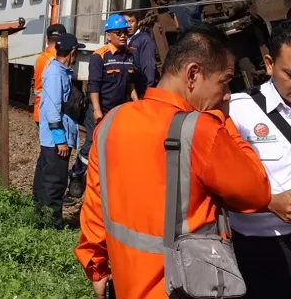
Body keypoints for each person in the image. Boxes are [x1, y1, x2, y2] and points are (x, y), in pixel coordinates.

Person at [75, 24, 273, 299]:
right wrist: (223, 120)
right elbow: (257, 192)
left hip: (126, 285)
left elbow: (95, 205)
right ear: (192, 74)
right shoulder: (203, 131)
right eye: (225, 82)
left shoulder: (112, 121)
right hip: (185, 289)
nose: (227, 94)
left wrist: (96, 268)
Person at [228, 20, 291, 297]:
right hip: (261, 248)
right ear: (269, 64)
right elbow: (213, 182)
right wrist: (267, 203)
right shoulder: (238, 112)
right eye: (290, 74)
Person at [69, 13, 137, 198]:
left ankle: (108, 181)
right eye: (118, 33)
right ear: (108, 35)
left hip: (119, 110)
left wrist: (137, 104)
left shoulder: (130, 55)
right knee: (91, 143)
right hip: (99, 109)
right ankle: (76, 174)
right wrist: (97, 110)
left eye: (125, 32)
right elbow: (94, 86)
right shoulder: (99, 56)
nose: (123, 36)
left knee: (116, 145)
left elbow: (130, 84)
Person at [34, 32, 85, 228]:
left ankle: (40, 219)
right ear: (72, 53)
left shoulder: (58, 71)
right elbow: (53, 108)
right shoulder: (56, 73)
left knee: (45, 180)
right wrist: (60, 139)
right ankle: (51, 226)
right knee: (54, 183)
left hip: (53, 138)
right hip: (56, 139)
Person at [33, 24, 67, 125]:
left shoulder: (40, 59)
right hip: (52, 112)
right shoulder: (58, 60)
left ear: (47, 40)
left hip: (39, 110)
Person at [123, 10, 158, 95]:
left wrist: (147, 90)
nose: (128, 25)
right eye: (126, 22)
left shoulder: (145, 40)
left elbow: (149, 66)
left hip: (139, 88)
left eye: (131, 22)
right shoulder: (123, 38)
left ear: (138, 23)